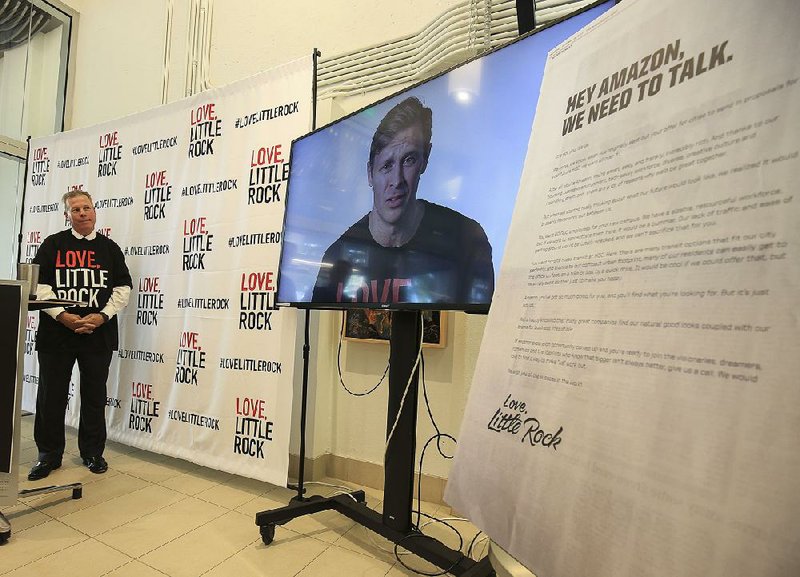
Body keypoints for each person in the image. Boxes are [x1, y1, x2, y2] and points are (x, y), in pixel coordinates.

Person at [312, 96, 494, 306]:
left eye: (409, 160)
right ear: (370, 173)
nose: (397, 181)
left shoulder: (466, 238)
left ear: (425, 160)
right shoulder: (337, 252)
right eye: (386, 166)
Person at [27, 189, 132, 480]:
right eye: (76, 209)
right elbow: (41, 285)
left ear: (95, 211)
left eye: (87, 208)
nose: (82, 213)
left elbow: (123, 288)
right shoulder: (52, 245)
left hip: (97, 335)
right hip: (57, 335)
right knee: (51, 396)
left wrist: (101, 316)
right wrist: (62, 316)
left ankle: (93, 453)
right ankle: (48, 455)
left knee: (94, 396)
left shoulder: (110, 248)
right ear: (67, 215)